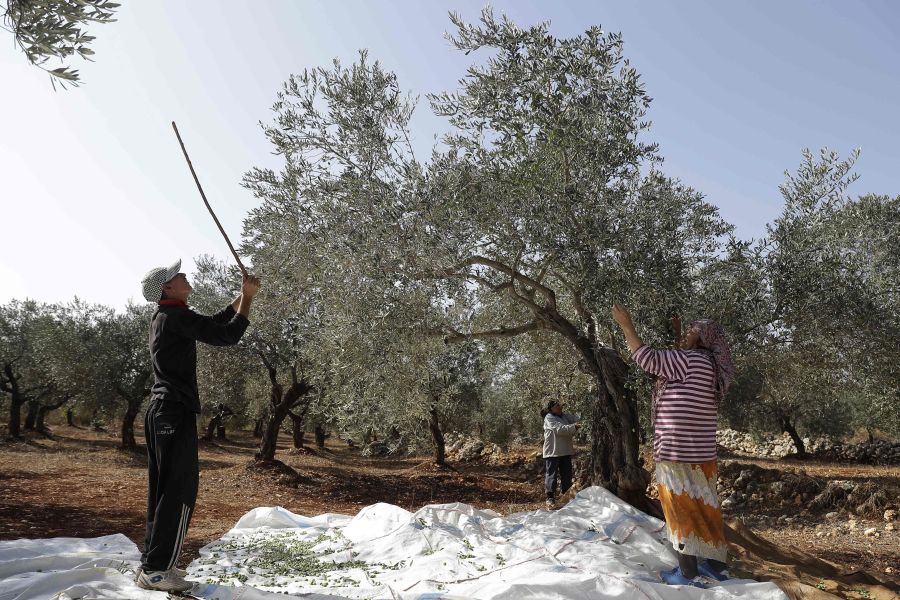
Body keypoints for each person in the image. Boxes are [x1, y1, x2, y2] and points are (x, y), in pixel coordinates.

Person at [136, 259, 260, 592]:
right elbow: (227, 335)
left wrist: (240, 296)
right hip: (173, 413)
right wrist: (247, 299)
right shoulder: (173, 316)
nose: (185, 275)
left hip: (163, 412)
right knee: (178, 491)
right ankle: (158, 571)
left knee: (164, 492)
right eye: (178, 275)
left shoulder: (169, 316)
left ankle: (153, 566)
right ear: (167, 287)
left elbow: (212, 323)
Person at [611, 304, 734, 588]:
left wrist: (626, 324)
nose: (688, 332)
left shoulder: (688, 360)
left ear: (702, 339)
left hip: (676, 451)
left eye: (693, 329)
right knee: (705, 507)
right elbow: (676, 360)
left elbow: (647, 358)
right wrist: (679, 333)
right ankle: (717, 567)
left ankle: (688, 574)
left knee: (679, 508)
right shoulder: (711, 366)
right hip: (701, 454)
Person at [542, 400, 580, 510]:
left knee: (566, 475)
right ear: (551, 409)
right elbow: (559, 430)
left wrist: (580, 420)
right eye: (557, 406)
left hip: (565, 451)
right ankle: (550, 498)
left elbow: (576, 418)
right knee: (551, 475)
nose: (560, 407)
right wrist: (575, 427)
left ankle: (566, 497)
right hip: (553, 452)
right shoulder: (549, 418)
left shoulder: (564, 417)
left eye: (560, 405)